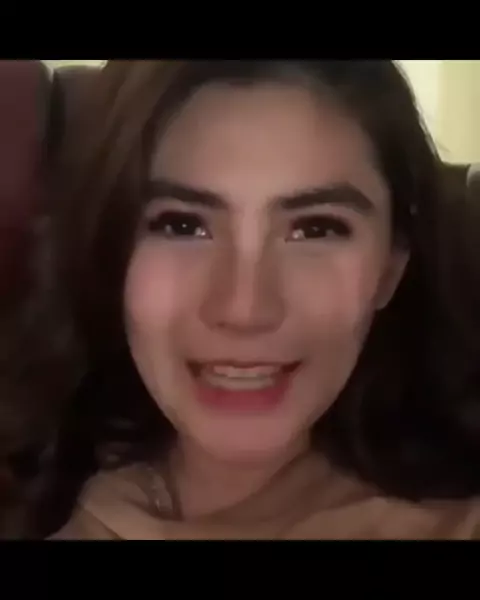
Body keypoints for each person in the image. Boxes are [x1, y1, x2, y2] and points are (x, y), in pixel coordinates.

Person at [3, 60, 480, 540]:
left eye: (316, 228)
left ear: (390, 268)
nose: (244, 309)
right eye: (181, 224)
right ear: (105, 251)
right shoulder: (40, 489)